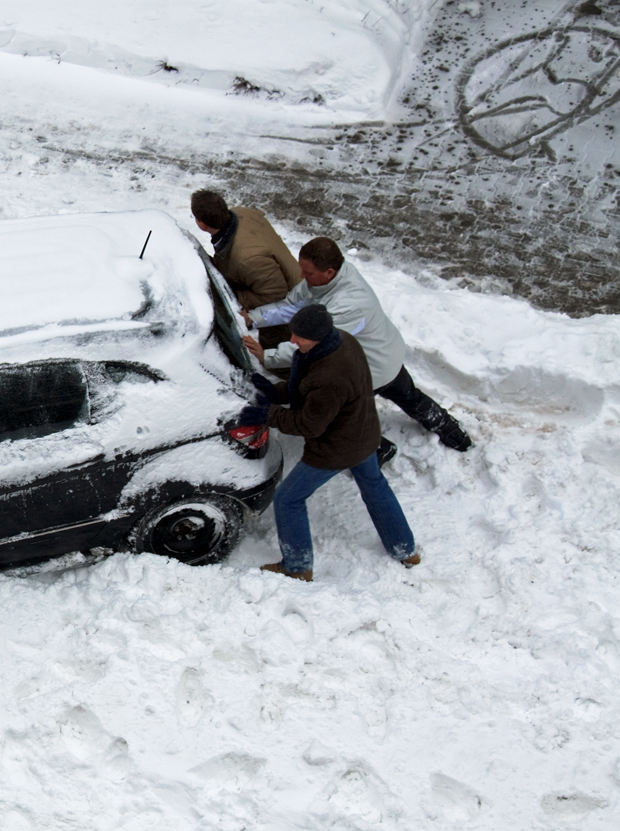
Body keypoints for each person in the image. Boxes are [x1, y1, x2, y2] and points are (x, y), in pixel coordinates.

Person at [241, 236, 471, 456]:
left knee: (341, 418)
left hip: (372, 367)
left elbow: (312, 344)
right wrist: (254, 318)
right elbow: (291, 306)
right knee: (409, 396)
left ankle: (381, 449)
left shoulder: (350, 303)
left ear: (329, 272)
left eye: (308, 272)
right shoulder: (324, 281)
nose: (302, 276)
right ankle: (446, 429)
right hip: (379, 352)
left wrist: (267, 356)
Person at [239, 304, 419, 582]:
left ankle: (298, 567)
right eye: (294, 333)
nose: (293, 341)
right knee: (375, 486)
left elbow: (308, 423)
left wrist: (269, 414)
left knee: (288, 499)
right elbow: (307, 385)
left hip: (337, 446)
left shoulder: (331, 376)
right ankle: (404, 549)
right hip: (363, 432)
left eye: (301, 337)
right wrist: (276, 392)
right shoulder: (343, 341)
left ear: (320, 337)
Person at [190, 189, 299, 351]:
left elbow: (275, 294)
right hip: (272, 278)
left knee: (276, 348)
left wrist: (232, 297)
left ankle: (285, 373)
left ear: (201, 224)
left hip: (290, 305)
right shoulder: (241, 214)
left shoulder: (247, 258)